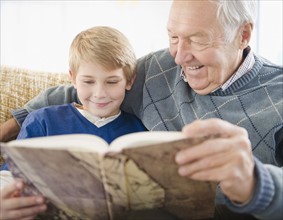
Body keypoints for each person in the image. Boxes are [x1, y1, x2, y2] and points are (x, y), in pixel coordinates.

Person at [0, 0, 282, 220]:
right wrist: (10, 127)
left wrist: (255, 182)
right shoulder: (157, 69)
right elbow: (79, 90)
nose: (179, 56)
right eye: (173, 37)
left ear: (243, 34)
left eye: (197, 39)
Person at [0, 26, 146, 220]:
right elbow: (9, 178)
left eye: (111, 82)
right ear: (73, 79)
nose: (99, 93)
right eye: (88, 82)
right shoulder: (42, 121)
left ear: (129, 81)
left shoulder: (140, 131)